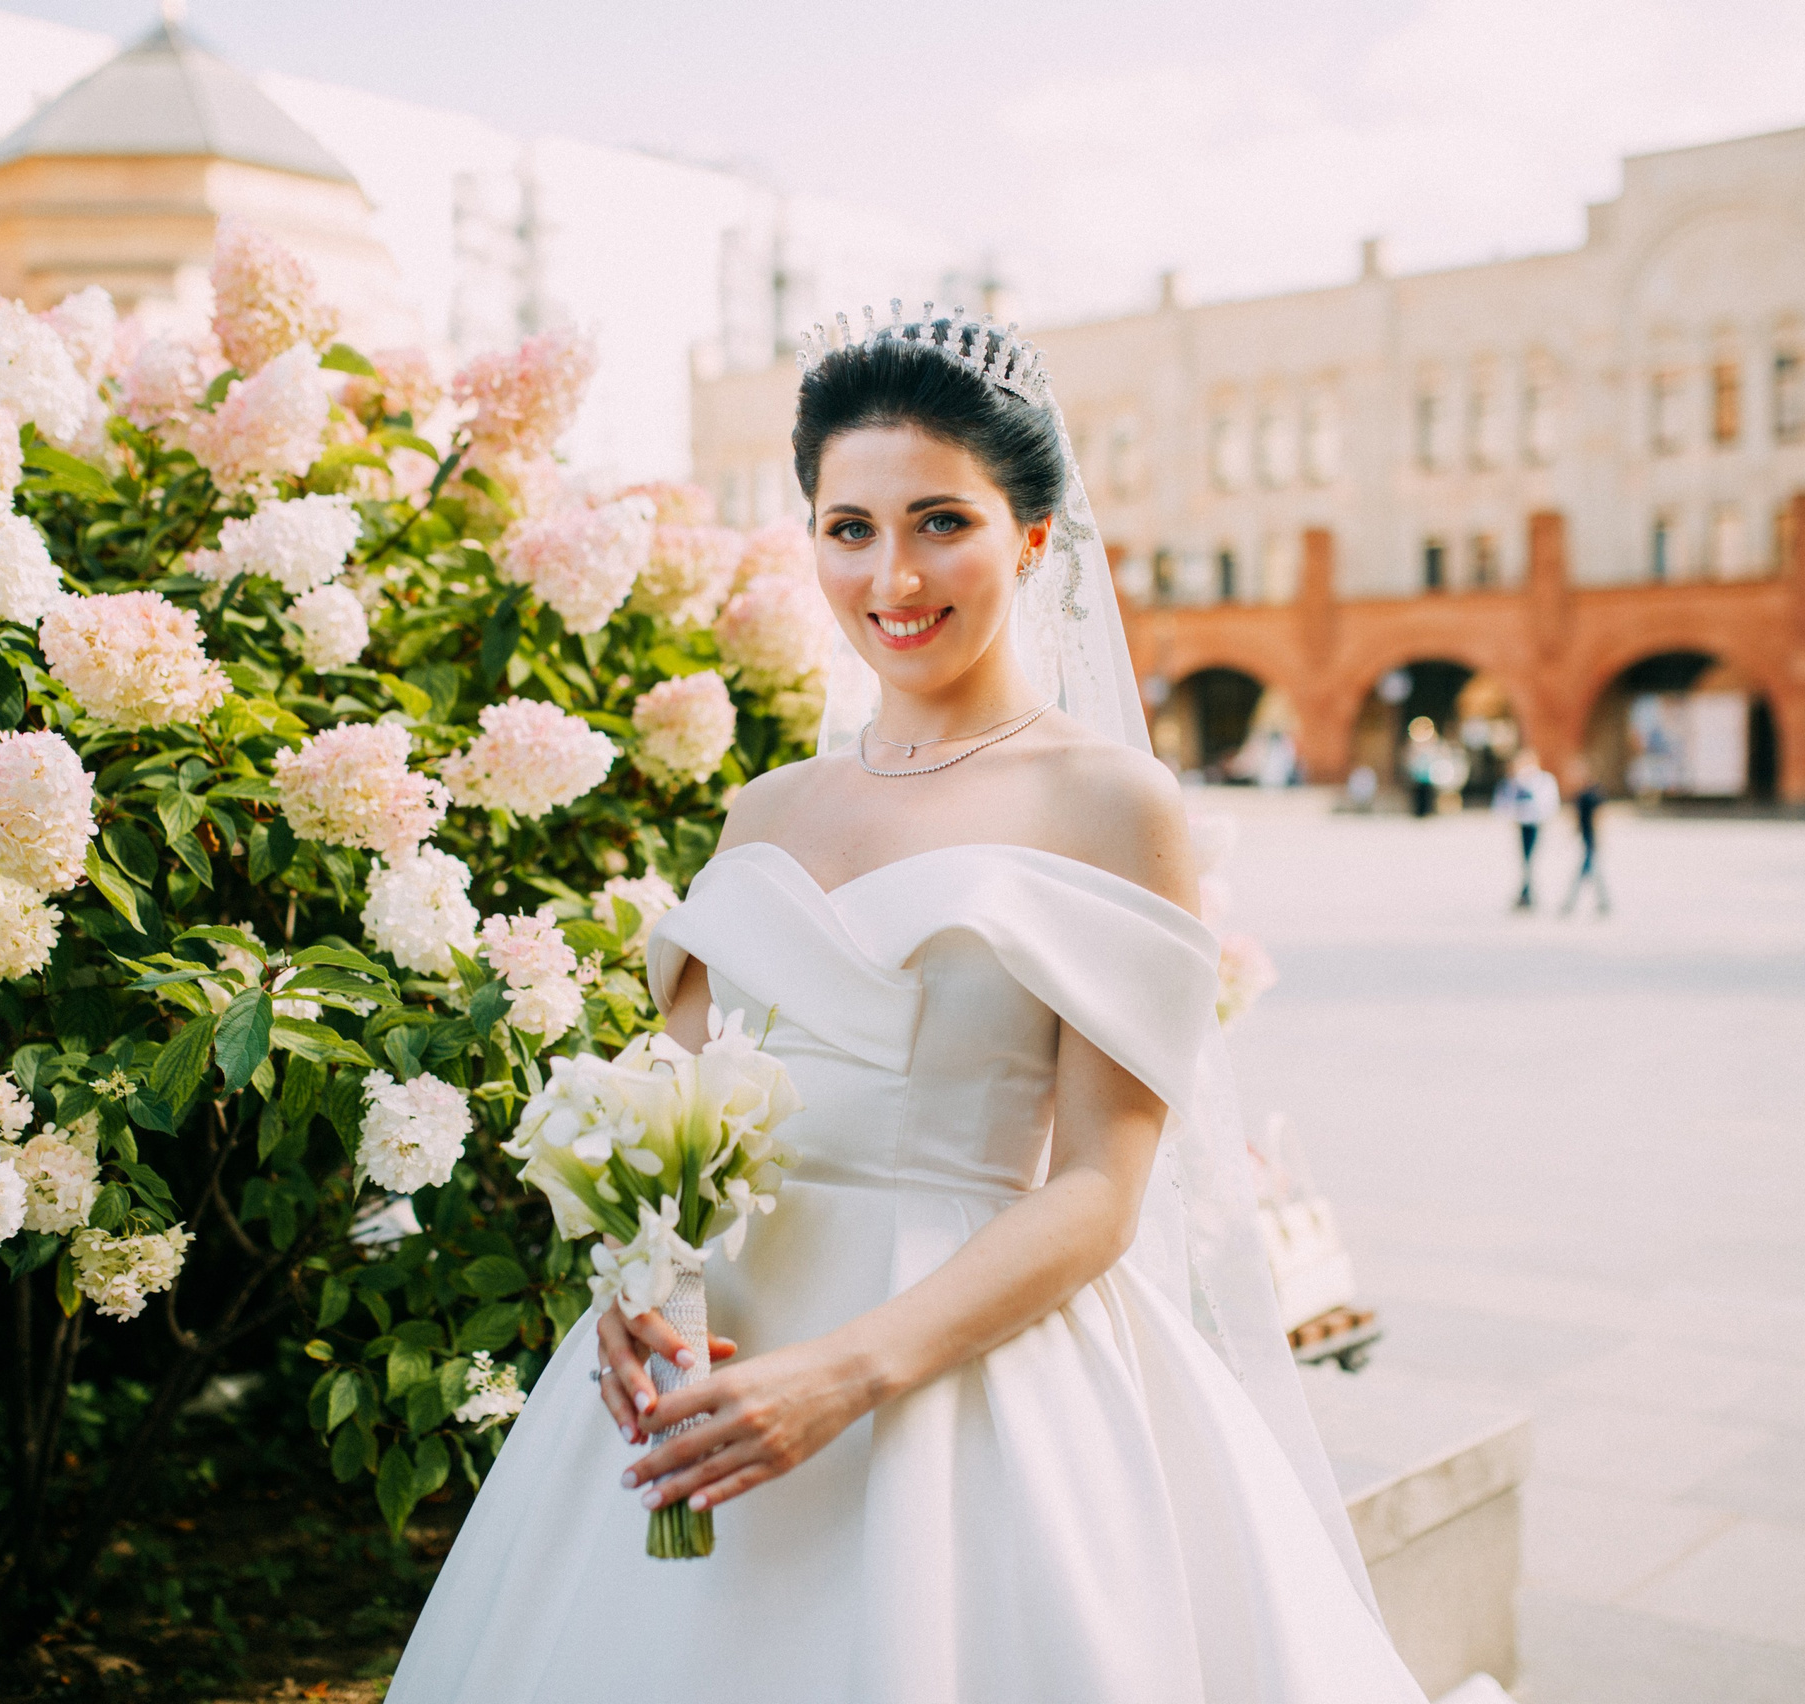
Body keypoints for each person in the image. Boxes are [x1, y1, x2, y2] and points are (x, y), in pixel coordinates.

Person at [388, 311, 1422, 1702]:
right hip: (710, 1375)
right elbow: (667, 1105)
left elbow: (1101, 1191)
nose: (894, 577)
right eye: (850, 529)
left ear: (1033, 539)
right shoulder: (766, 808)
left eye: (942, 522)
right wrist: (630, 1280)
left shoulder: (1110, 802)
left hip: (958, 1375)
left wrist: (842, 1378)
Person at [1490, 749, 1559, 910]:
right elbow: (1503, 803)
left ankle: (1527, 893)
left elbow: (1548, 803)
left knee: (1530, 859)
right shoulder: (1514, 782)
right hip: (1522, 824)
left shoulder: (1542, 780)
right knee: (1526, 859)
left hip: (1535, 823)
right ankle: (1526, 892)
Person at [1559, 758, 1611, 917]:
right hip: (1586, 837)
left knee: (1586, 871)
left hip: (1591, 837)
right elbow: (1576, 816)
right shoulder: (1580, 794)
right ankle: (1602, 902)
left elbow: (1598, 816)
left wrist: (1599, 837)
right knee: (1591, 871)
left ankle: (1571, 902)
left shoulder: (1593, 793)